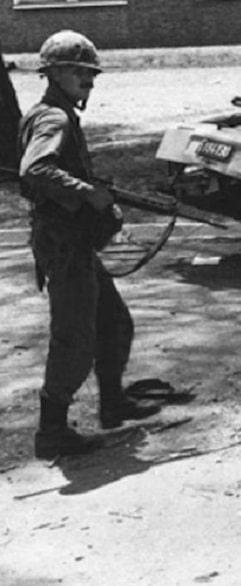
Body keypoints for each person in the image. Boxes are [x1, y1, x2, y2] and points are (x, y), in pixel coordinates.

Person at [18, 30, 160, 460]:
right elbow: (35, 170)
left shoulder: (54, 112)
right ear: (54, 73)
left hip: (72, 239)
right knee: (75, 337)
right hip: (63, 242)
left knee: (113, 321)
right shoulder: (54, 119)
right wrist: (88, 194)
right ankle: (52, 432)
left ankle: (112, 404)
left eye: (92, 74)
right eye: (79, 72)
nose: (89, 81)